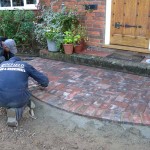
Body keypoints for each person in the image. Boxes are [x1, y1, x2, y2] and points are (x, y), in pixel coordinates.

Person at [0, 56, 49, 127]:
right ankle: (15, 111)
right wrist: (44, 84)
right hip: (18, 99)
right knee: (25, 95)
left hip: (1, 99)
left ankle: (7, 105)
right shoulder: (24, 65)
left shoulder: (2, 64)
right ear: (20, 60)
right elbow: (44, 80)